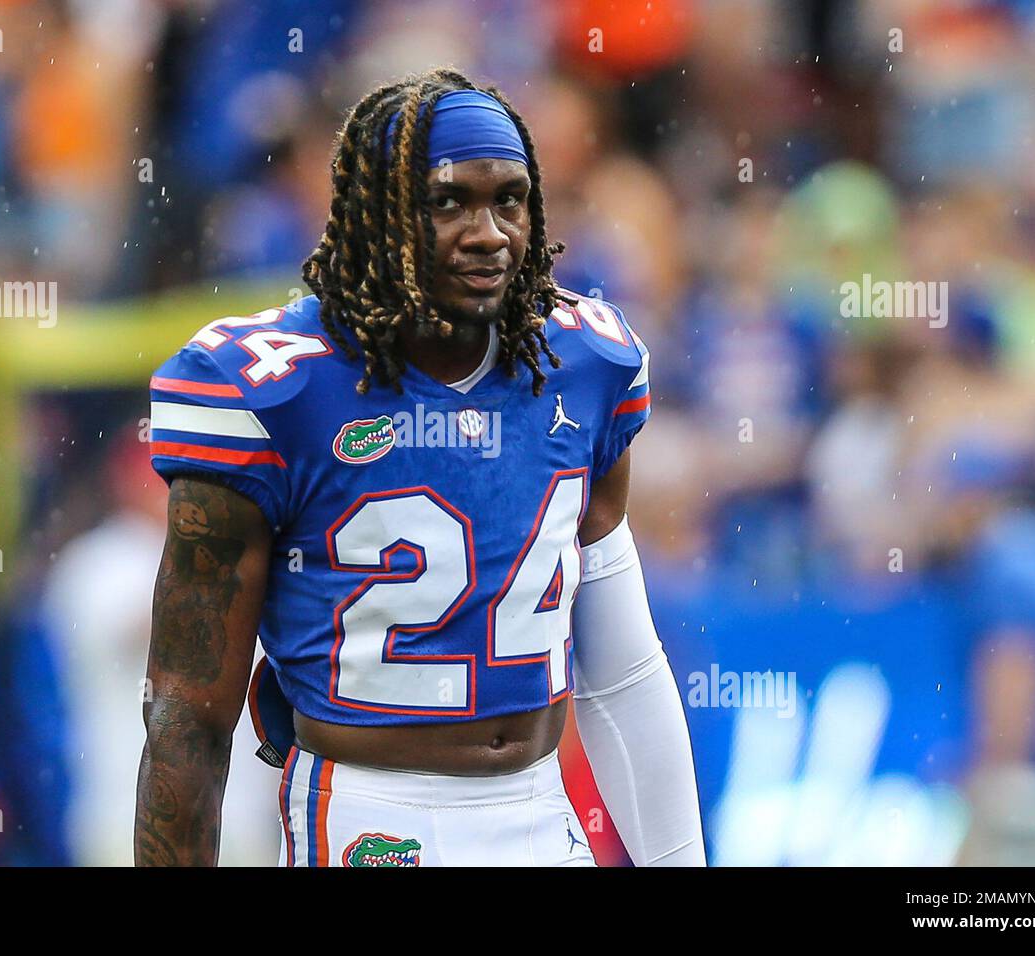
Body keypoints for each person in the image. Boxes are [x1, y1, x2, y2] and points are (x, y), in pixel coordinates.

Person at [134, 68, 704, 867]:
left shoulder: (583, 362)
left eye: (509, 198)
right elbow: (188, 715)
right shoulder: (271, 391)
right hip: (369, 814)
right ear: (378, 216)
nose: (489, 231)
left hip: (542, 812)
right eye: (448, 202)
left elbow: (622, 670)